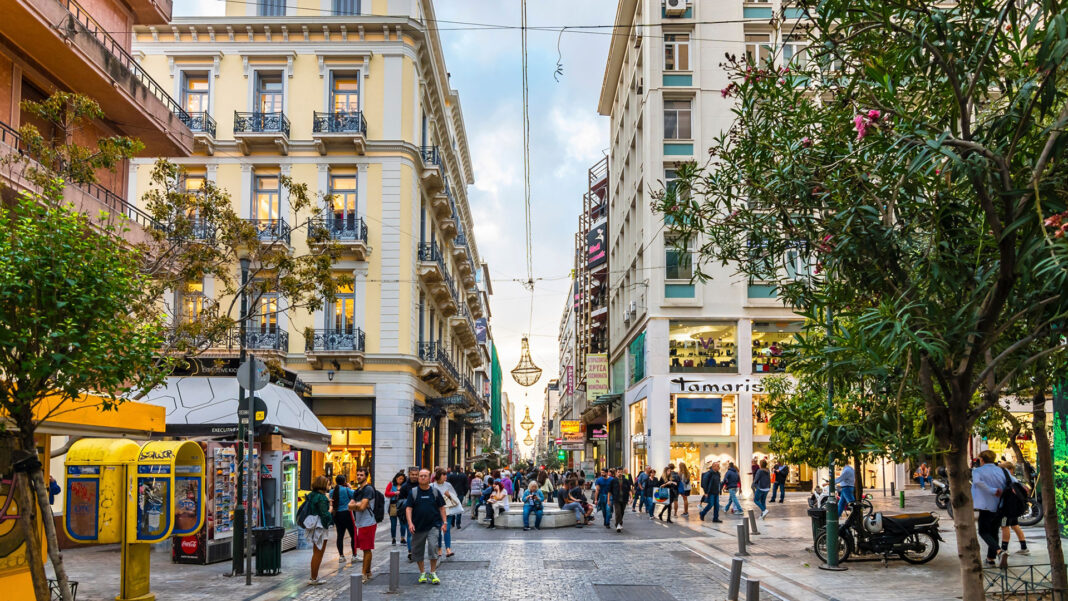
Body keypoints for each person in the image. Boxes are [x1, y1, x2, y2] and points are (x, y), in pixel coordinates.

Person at [405, 469, 446, 585]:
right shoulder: (413, 492)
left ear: (429, 478)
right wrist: (410, 523)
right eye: (420, 476)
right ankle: (422, 572)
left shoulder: (435, 492)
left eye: (425, 476)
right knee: (418, 551)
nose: (422, 478)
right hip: (417, 526)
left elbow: (442, 508)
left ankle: (433, 572)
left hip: (433, 525)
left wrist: (445, 522)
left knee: (433, 548)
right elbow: (408, 508)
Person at [973, 450, 1009, 568]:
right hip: (1000, 506)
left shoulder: (978, 471)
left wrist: (993, 491)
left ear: (981, 460)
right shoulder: (1002, 470)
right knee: (994, 532)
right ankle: (991, 558)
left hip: (985, 506)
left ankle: (999, 551)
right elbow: (1014, 482)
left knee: (983, 531)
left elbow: (977, 482)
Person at [303, 476, 333, 586]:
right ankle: (313, 577)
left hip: (313, 524)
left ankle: (314, 576)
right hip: (320, 527)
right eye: (328, 483)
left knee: (316, 552)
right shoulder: (322, 498)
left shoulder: (312, 495)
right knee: (319, 553)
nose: (329, 486)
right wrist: (330, 508)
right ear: (323, 484)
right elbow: (325, 515)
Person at [350, 467, 377, 583]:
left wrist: (356, 505)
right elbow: (349, 506)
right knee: (365, 548)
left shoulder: (368, 489)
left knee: (367, 549)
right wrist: (357, 505)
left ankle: (363, 574)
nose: (359, 476)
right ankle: (368, 572)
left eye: (361, 475)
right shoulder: (357, 491)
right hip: (361, 523)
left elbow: (360, 507)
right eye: (358, 474)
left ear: (366, 476)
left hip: (368, 522)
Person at [999, 461, 1030, 556]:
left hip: (1006, 508)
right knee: (1015, 525)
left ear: (1009, 469)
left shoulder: (1007, 479)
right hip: (1013, 507)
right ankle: (1024, 547)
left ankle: (1004, 549)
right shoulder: (1014, 479)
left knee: (1004, 526)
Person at [432, 467, 462, 558]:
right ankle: (440, 548)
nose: (446, 476)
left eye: (445, 474)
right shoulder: (432, 486)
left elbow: (455, 496)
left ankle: (448, 549)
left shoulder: (448, 485)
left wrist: (449, 495)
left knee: (446, 529)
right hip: (437, 511)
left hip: (447, 510)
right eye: (444, 474)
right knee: (439, 530)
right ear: (438, 476)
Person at [330, 475, 356, 565]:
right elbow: (355, 495)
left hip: (337, 515)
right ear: (345, 481)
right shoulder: (346, 490)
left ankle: (341, 556)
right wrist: (350, 487)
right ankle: (354, 555)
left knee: (340, 535)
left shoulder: (332, 491)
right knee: (353, 535)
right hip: (347, 513)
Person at [398, 467, 420, 560]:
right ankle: (411, 552)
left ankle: (417, 550)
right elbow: (400, 501)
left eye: (416, 474)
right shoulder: (404, 486)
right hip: (409, 513)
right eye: (412, 474)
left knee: (419, 534)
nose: (414, 476)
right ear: (409, 474)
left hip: (420, 513)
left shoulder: (421, 485)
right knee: (410, 533)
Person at [385, 471, 407, 546]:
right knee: (393, 523)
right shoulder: (391, 484)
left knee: (403, 522)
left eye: (402, 479)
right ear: (396, 478)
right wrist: (394, 493)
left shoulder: (405, 485)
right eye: (399, 478)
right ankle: (393, 538)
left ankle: (402, 538)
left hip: (402, 506)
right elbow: (386, 493)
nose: (401, 480)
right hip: (393, 505)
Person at [611, 467, 630, 532]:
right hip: (616, 499)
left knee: (622, 512)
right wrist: (608, 500)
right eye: (618, 472)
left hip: (624, 499)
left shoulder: (626, 480)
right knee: (617, 512)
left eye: (621, 472)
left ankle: (620, 522)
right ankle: (618, 524)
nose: (620, 473)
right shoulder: (613, 481)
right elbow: (609, 491)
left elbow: (629, 490)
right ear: (616, 472)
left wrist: (631, 498)